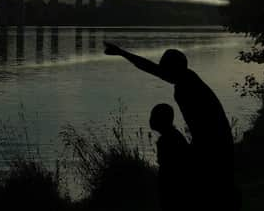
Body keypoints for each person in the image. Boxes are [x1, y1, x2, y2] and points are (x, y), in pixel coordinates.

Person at [103, 42, 240, 210]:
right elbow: (151, 68)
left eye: (165, 69)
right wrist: (122, 53)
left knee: (215, 191)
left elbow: (206, 122)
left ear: (174, 69)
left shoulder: (188, 85)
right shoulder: (185, 78)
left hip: (214, 142)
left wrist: (195, 149)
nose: (162, 73)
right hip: (212, 140)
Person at [150, 103, 192, 211]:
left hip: (173, 188)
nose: (150, 120)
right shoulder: (175, 135)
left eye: (153, 116)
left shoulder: (166, 141)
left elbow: (167, 167)